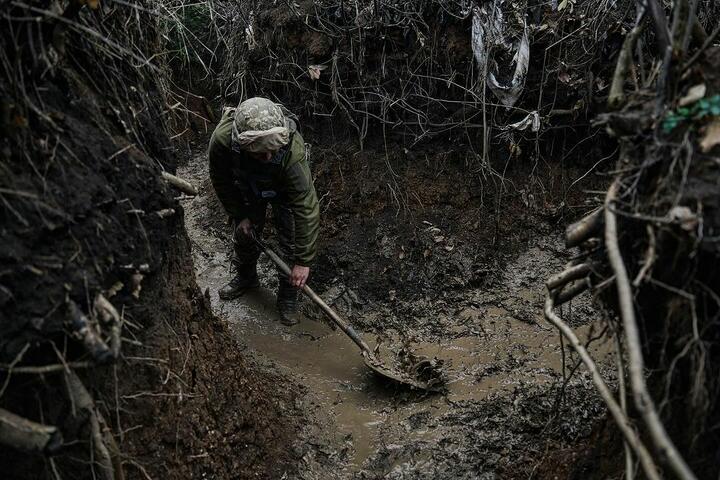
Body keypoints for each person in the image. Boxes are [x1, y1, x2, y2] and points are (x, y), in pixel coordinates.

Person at [207, 97, 319, 325]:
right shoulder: (222, 141)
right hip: (248, 183)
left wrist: (303, 261)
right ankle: (246, 277)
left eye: (272, 150)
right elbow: (221, 180)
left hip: (283, 188)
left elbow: (306, 206)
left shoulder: (292, 153)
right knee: (246, 234)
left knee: (290, 239)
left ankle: (288, 296)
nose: (268, 157)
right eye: (260, 153)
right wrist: (239, 214)